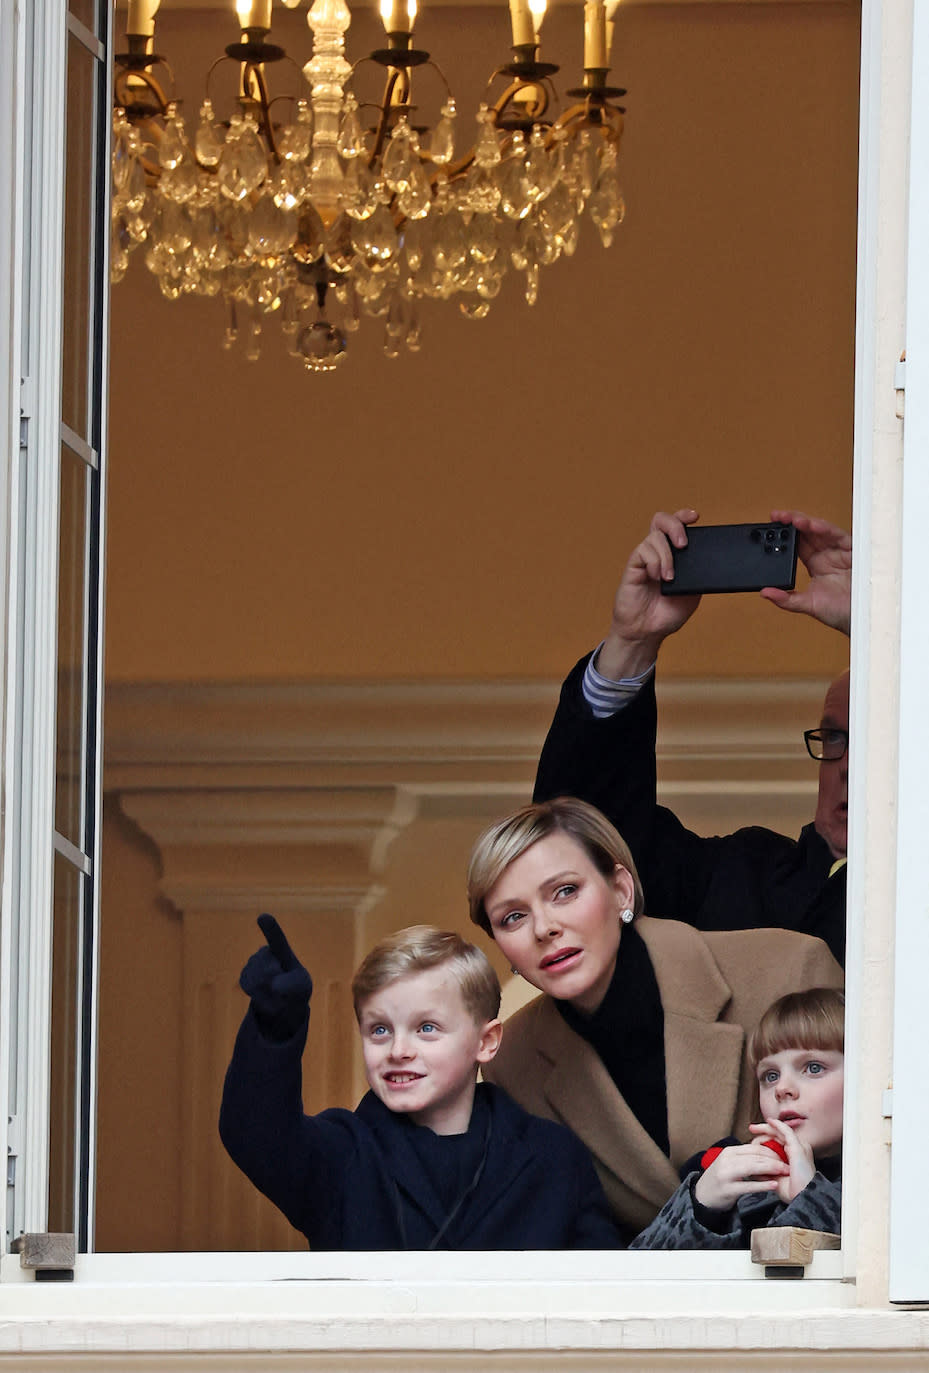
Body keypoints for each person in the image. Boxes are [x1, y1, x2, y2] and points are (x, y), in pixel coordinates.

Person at [469, 797, 843, 1242]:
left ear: (622, 891)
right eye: (512, 917)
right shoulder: (511, 1061)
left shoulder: (790, 969)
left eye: (565, 891)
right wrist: (698, 1205)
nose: (544, 927)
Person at [533, 508, 852, 966]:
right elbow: (579, 841)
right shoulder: (738, 880)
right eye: (835, 738)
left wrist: (881, 628)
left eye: (871, 739)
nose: (846, 766)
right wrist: (632, 644)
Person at [219, 914, 623, 1250]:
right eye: (379, 1030)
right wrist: (274, 1025)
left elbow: (603, 1291)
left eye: (426, 1028)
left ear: (485, 1041)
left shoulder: (553, 1159)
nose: (398, 1049)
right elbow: (256, 1134)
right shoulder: (341, 1154)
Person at [629, 987, 844, 1249]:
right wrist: (701, 1206)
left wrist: (808, 1196)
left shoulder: (887, 1182)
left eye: (813, 1068)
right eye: (770, 1075)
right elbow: (640, 1278)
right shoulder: (735, 1173)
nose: (781, 1088)